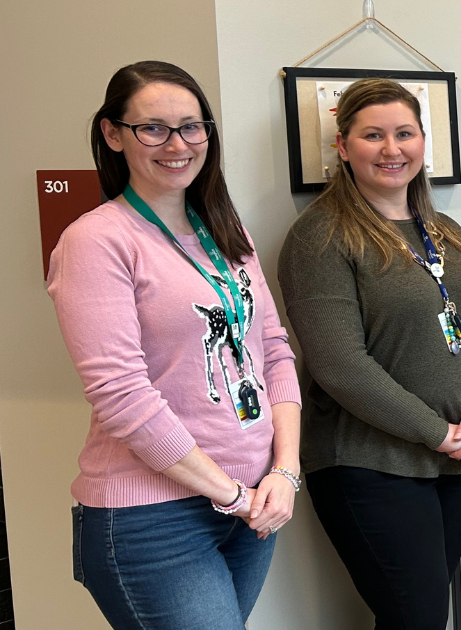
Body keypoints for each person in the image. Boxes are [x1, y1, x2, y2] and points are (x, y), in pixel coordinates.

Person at [46, 61, 302, 628]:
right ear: (113, 135)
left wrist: (284, 471)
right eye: (153, 128)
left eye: (192, 126)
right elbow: (122, 397)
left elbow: (273, 351)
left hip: (254, 502)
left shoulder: (225, 228)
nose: (177, 144)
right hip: (153, 518)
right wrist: (231, 494)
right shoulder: (95, 241)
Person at [277, 78, 461, 629]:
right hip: (368, 464)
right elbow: (339, 366)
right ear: (342, 146)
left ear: (424, 141)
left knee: (418, 619)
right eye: (372, 135)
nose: (391, 149)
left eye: (404, 133)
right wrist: (441, 433)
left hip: (451, 461)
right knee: (418, 618)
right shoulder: (321, 237)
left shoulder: (443, 229)